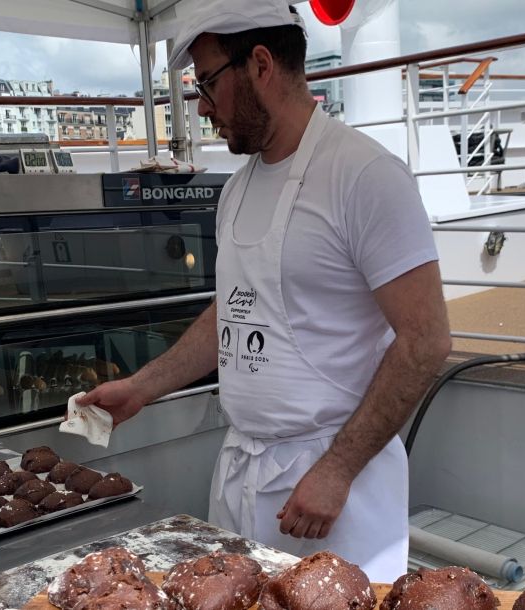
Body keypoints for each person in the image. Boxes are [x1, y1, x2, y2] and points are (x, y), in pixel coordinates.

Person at [75, 0, 451, 582]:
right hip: (242, 471)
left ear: (259, 64)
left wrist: (337, 470)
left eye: (207, 83)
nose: (202, 107)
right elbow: (234, 308)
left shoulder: (364, 176)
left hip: (333, 491)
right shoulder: (238, 188)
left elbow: (425, 340)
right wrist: (142, 387)